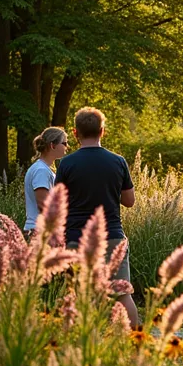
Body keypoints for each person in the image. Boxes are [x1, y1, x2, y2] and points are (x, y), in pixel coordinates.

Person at [56, 107, 139, 327]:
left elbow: (58, 205)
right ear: (102, 131)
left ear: (75, 133)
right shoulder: (118, 161)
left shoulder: (66, 164)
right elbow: (129, 201)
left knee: (75, 294)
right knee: (122, 293)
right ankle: (137, 342)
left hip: (76, 237)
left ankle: (71, 345)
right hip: (111, 235)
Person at [24, 127, 69, 236]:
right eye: (64, 143)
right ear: (52, 145)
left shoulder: (44, 169)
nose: (67, 147)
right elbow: (43, 203)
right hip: (39, 231)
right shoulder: (41, 171)